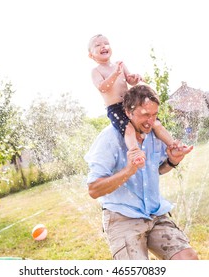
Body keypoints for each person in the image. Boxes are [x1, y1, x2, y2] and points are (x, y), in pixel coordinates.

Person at [84, 84, 198, 260]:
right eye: (145, 114)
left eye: (154, 115)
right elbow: (93, 189)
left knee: (188, 259)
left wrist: (172, 161)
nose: (150, 121)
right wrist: (129, 170)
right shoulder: (109, 138)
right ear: (128, 113)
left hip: (155, 213)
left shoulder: (154, 134)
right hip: (122, 218)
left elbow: (157, 170)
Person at [88, 34, 190, 165]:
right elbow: (103, 87)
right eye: (98, 45)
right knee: (129, 129)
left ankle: (174, 145)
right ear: (91, 55)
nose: (103, 46)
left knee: (156, 123)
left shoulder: (119, 64)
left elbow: (130, 80)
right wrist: (115, 74)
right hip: (115, 108)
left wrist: (135, 78)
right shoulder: (96, 71)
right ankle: (135, 152)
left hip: (130, 104)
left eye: (106, 43)